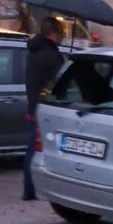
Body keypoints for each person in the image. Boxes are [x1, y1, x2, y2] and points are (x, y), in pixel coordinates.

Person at [23, 17, 64, 201]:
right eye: (62, 33)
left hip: (33, 106)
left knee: (33, 148)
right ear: (54, 33)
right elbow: (61, 83)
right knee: (41, 150)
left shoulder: (33, 51)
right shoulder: (51, 55)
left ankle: (29, 188)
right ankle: (32, 189)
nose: (63, 37)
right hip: (48, 109)